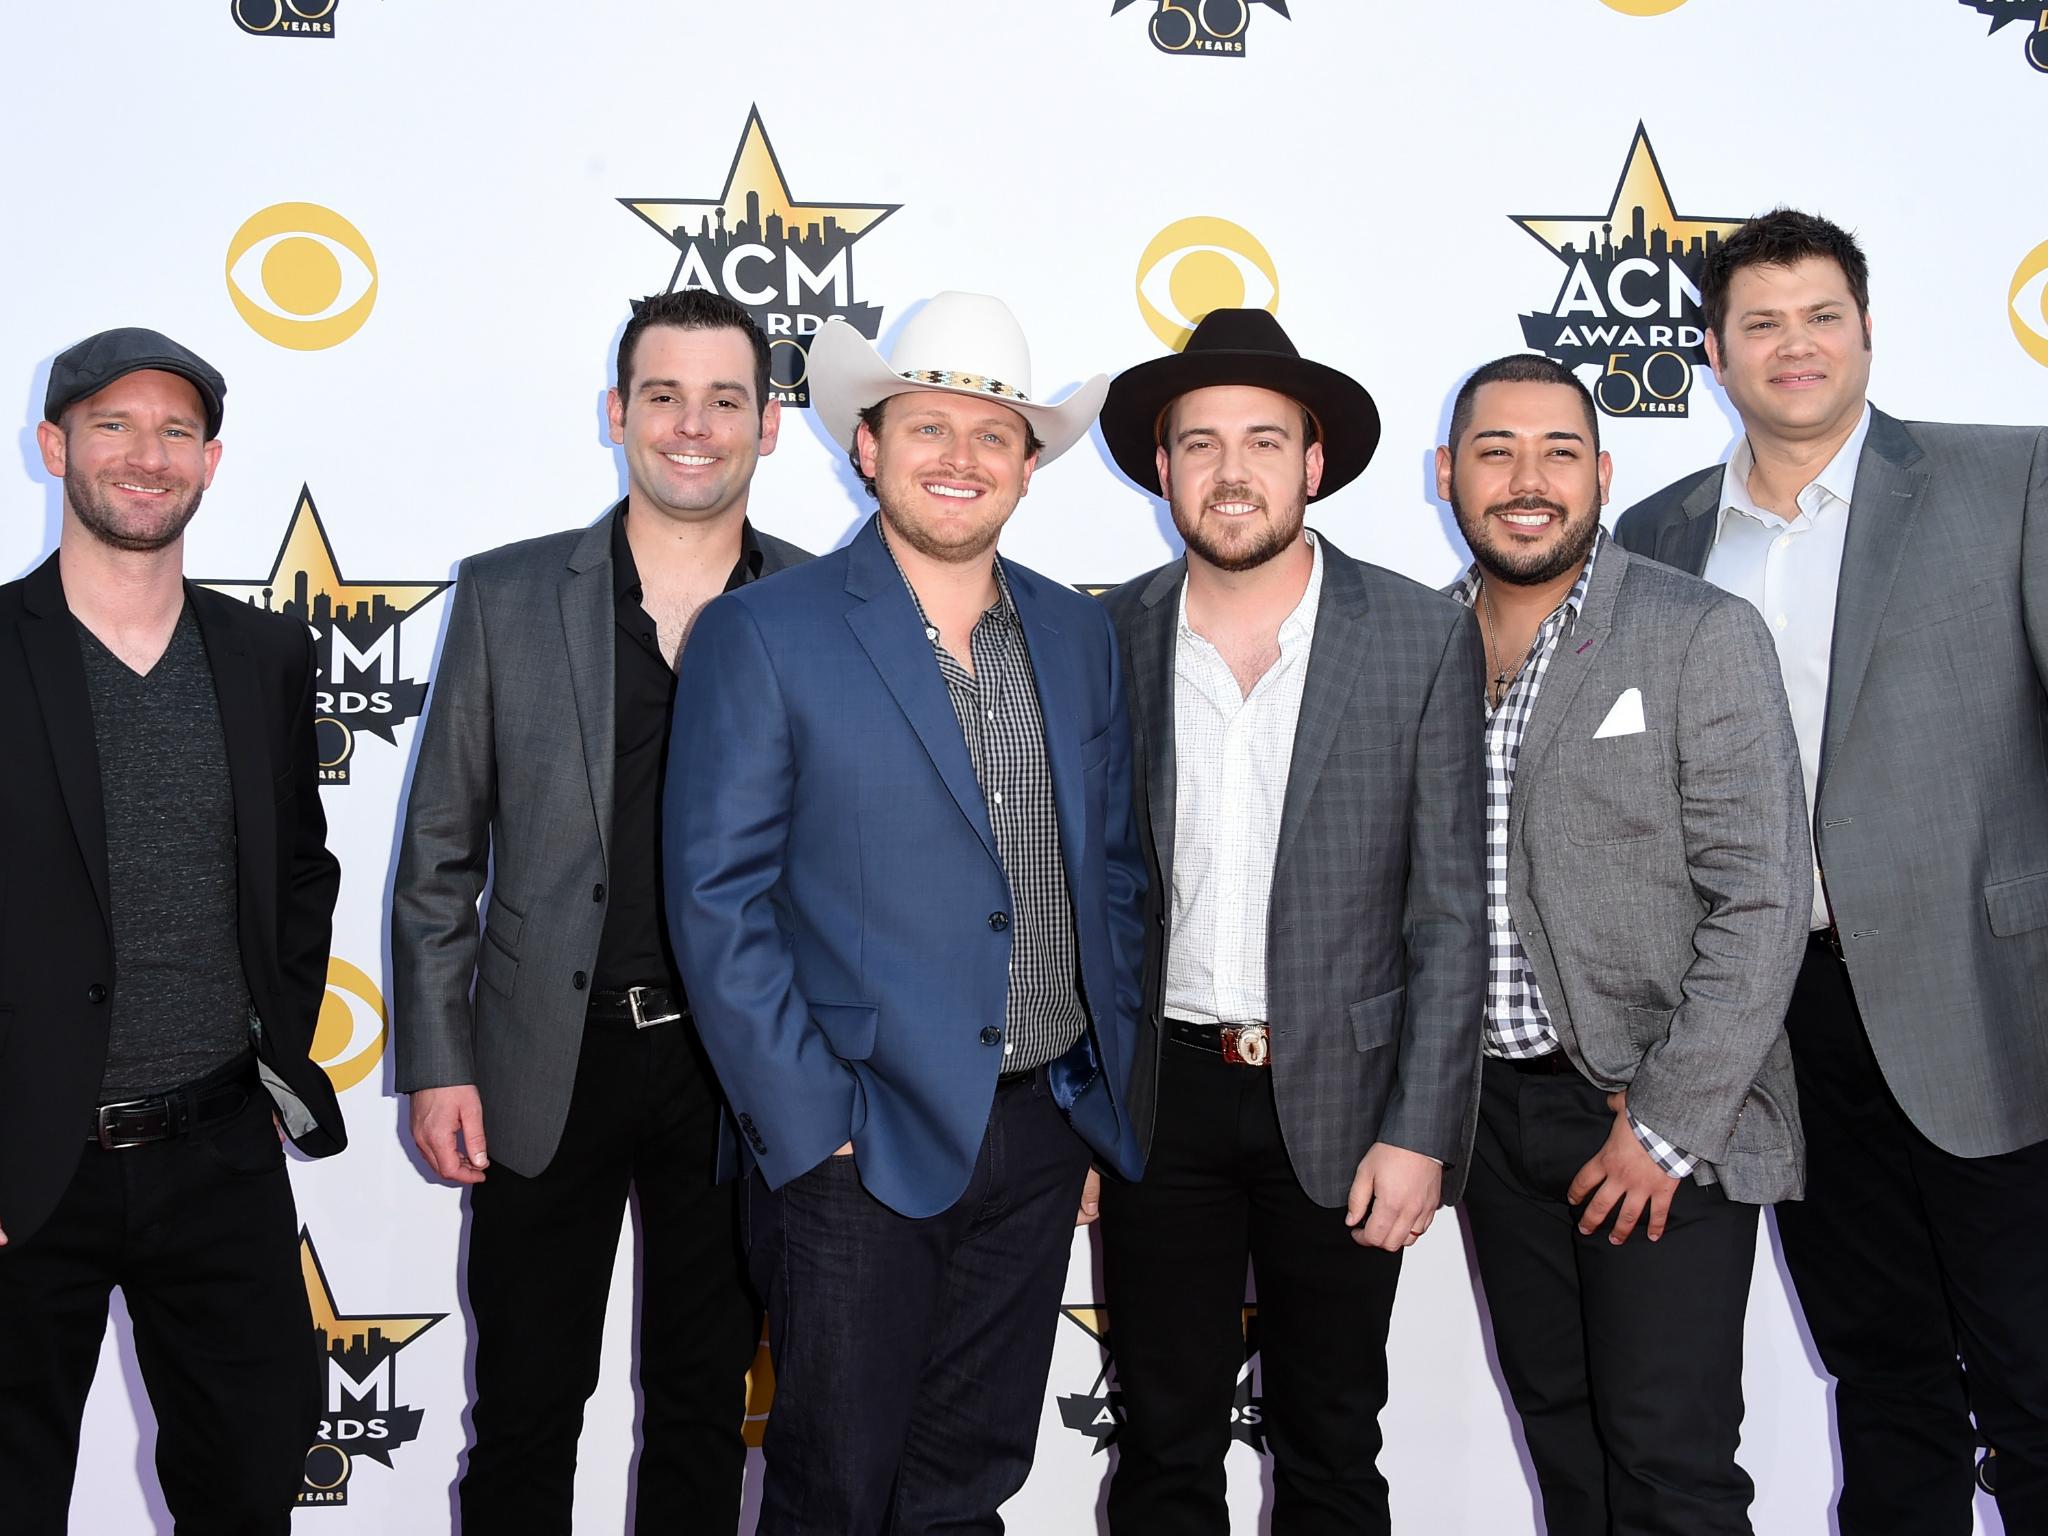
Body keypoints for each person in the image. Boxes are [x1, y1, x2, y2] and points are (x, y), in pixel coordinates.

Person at [664, 290, 1144, 1534]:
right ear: (865, 447)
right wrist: (810, 1122)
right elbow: (717, 901)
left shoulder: (1080, 636)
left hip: (1038, 1133)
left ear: (1029, 469)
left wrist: (1093, 1098)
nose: (960, 458)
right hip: (852, 1145)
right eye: (927, 427)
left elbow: (1108, 874)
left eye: (993, 435)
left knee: (967, 1484)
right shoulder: (763, 633)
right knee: (831, 1486)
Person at [1615, 208, 2048, 1536]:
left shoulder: (2009, 479)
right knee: (1885, 1376)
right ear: (1712, 351)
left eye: (1821, 317)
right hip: (1781, 1026)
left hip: (1993, 1007)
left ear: (1866, 330)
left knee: (2037, 1385)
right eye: (1762, 323)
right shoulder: (1657, 533)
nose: (1793, 346)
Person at [391, 289, 805, 1532]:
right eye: (664, 396)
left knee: (702, 1413)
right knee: (522, 1410)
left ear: (766, 427)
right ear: (617, 413)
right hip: (541, 1063)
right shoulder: (510, 595)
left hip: (739, 1081)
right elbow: (437, 857)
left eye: (725, 399)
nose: (694, 425)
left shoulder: (824, 609)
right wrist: (437, 1060)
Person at [1092, 306, 1487, 1535]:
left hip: (1346, 1102)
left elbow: (1449, 910)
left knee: (1330, 1443)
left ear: (1312, 465)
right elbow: (1080, 892)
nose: (1230, 470)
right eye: (1198, 443)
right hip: (1164, 1100)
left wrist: (1421, 1128)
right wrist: (1081, 1106)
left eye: (1263, 440)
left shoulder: (1421, 635)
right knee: (1160, 1444)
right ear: (1161, 470)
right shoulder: (1106, 635)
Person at [1441, 352, 1809, 1535]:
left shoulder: (1696, 630)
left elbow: (1760, 896)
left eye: (1556, 451)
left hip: (1651, 1111)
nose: (1525, 478)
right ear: (1447, 475)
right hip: (1488, 1122)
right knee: (1564, 1441)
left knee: (1668, 1465)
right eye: (1494, 452)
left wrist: (1661, 1127)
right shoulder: (1414, 646)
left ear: (1600, 473)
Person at [0, 327, 345, 1534]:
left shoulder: (264, 655)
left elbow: (302, 878)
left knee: (249, 1487)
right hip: (23, 1169)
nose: (147, 455)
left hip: (216, 1157)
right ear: (54, 447)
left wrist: (268, 1059)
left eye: (176, 432)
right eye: (113, 426)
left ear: (207, 462)